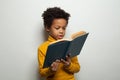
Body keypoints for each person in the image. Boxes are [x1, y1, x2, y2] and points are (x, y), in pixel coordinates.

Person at [38, 7, 80, 80]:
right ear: (47, 27)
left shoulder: (69, 45)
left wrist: (69, 65)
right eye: (57, 28)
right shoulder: (42, 48)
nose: (61, 31)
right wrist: (50, 70)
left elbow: (77, 68)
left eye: (64, 28)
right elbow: (42, 73)